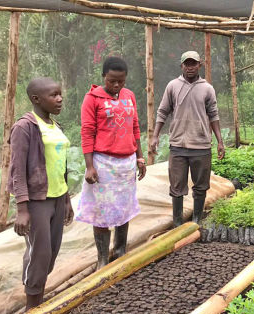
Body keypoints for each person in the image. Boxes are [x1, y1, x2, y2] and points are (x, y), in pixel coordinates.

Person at [8, 77, 74, 310]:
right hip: (37, 201)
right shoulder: (24, 127)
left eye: (60, 94)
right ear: (36, 99)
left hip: (57, 197)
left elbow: (61, 166)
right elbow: (17, 169)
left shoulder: (56, 127)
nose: (59, 99)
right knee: (40, 252)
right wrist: (22, 208)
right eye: (53, 95)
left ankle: (38, 299)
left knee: (52, 252)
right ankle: (32, 307)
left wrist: (66, 200)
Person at [77, 56, 146, 269]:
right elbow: (87, 132)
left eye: (121, 81)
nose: (116, 85)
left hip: (126, 163)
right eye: (112, 81)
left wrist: (140, 157)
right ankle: (102, 259)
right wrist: (90, 166)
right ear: (103, 77)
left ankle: (120, 249)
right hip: (103, 163)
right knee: (102, 211)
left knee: (123, 207)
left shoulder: (129, 96)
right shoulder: (92, 98)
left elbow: (135, 127)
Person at [150, 50, 225, 228]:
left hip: (201, 145)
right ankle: (177, 223)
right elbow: (162, 111)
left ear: (199, 65)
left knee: (200, 186)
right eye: (187, 64)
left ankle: (196, 220)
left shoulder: (207, 88)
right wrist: (155, 136)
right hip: (178, 145)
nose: (190, 67)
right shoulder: (173, 86)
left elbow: (213, 115)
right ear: (181, 65)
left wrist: (220, 141)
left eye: (193, 64)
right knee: (176, 187)